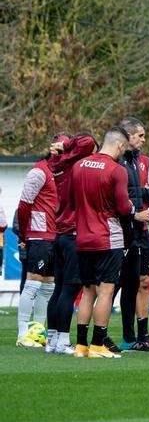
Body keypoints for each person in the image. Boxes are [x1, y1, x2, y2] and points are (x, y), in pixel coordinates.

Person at [72, 127, 138, 358]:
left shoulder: (78, 166)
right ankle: (98, 345)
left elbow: (72, 202)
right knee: (106, 290)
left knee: (88, 291)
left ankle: (80, 346)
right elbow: (123, 208)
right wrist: (132, 207)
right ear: (120, 146)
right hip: (107, 238)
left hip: (82, 238)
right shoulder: (116, 170)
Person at [44, 133, 97, 354]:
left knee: (59, 289)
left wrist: (64, 147)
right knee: (69, 290)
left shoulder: (57, 163)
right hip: (74, 233)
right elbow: (87, 142)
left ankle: (52, 339)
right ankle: (63, 340)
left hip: (60, 233)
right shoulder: (74, 164)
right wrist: (68, 145)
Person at [117, 117, 149, 352]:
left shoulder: (143, 161)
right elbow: (119, 195)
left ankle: (140, 335)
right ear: (128, 136)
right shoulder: (118, 161)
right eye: (141, 135)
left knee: (141, 281)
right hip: (124, 229)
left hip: (143, 229)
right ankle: (94, 336)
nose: (144, 140)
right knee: (111, 285)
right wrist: (136, 213)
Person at [16, 138, 61, 347]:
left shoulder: (61, 174)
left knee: (47, 287)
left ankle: (38, 332)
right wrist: (24, 235)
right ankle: (23, 334)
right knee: (33, 283)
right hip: (39, 235)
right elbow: (24, 205)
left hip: (55, 236)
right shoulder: (39, 172)